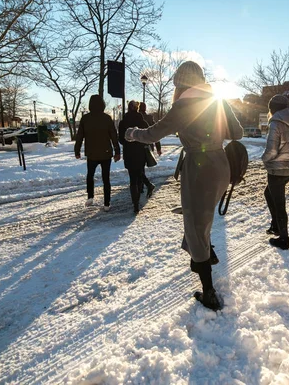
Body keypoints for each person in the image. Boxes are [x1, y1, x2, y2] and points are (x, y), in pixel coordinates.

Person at [125, 61, 243, 311]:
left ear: (179, 83)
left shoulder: (184, 105)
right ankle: (202, 255)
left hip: (199, 168)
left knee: (194, 223)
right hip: (222, 166)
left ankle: (208, 290)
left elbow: (152, 134)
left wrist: (133, 133)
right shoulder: (217, 100)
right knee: (202, 217)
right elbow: (238, 132)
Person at [261, 94, 289, 250]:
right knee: (269, 194)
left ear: (272, 108)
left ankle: (283, 238)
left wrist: (264, 159)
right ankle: (275, 226)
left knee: (279, 203)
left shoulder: (276, 122)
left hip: (277, 169)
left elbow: (271, 151)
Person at [74, 95, 121, 212]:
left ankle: (90, 196)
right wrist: (117, 151)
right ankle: (106, 203)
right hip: (106, 153)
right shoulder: (107, 118)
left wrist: (77, 150)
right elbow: (113, 135)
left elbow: (79, 136)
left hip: (91, 153)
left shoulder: (85, 119)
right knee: (106, 179)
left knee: (90, 175)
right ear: (102, 104)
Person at [118, 100, 155, 214]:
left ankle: (135, 204)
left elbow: (121, 140)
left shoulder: (122, 122)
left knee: (132, 178)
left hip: (129, 153)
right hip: (140, 152)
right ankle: (147, 186)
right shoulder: (142, 121)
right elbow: (149, 135)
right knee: (139, 173)